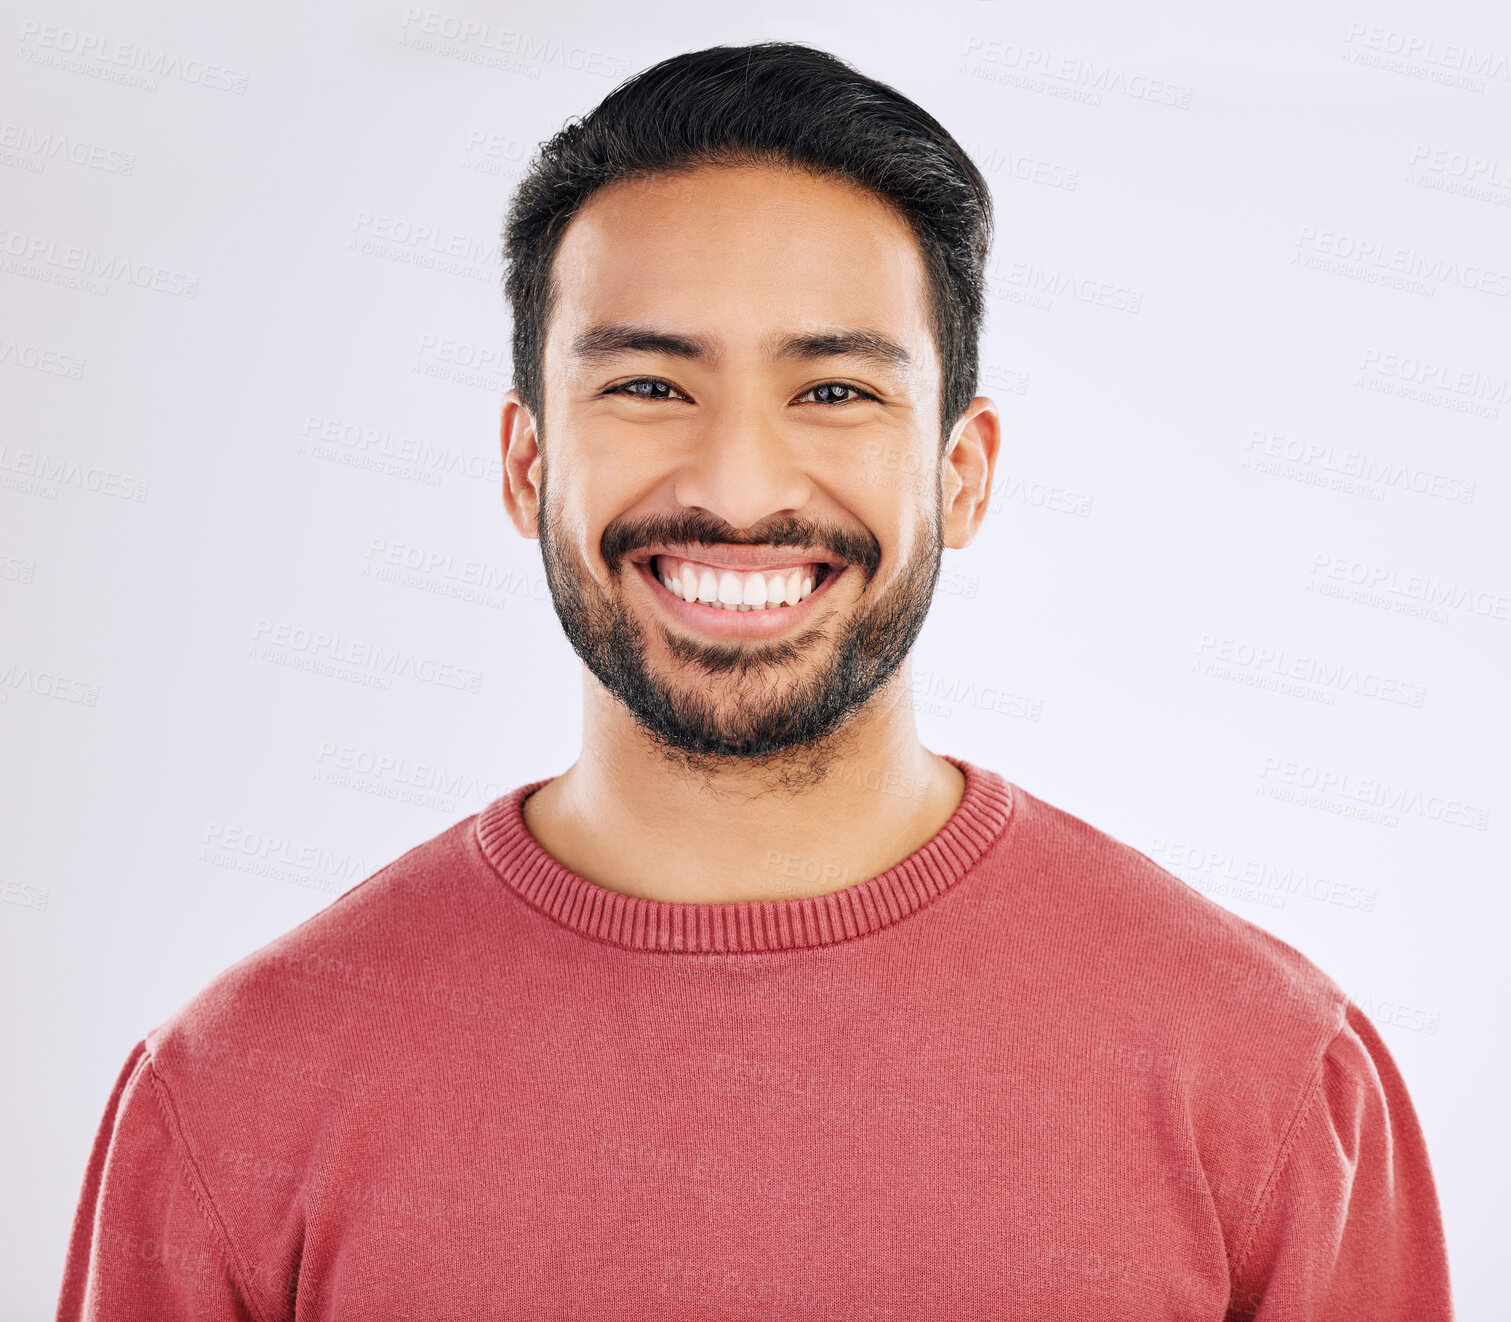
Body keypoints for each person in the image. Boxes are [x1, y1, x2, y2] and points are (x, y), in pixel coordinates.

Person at [57, 41, 1452, 1320]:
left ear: (961, 473)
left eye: (834, 390)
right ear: (523, 465)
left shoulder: (1272, 1088)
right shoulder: (233, 1099)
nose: (736, 487)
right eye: (650, 387)